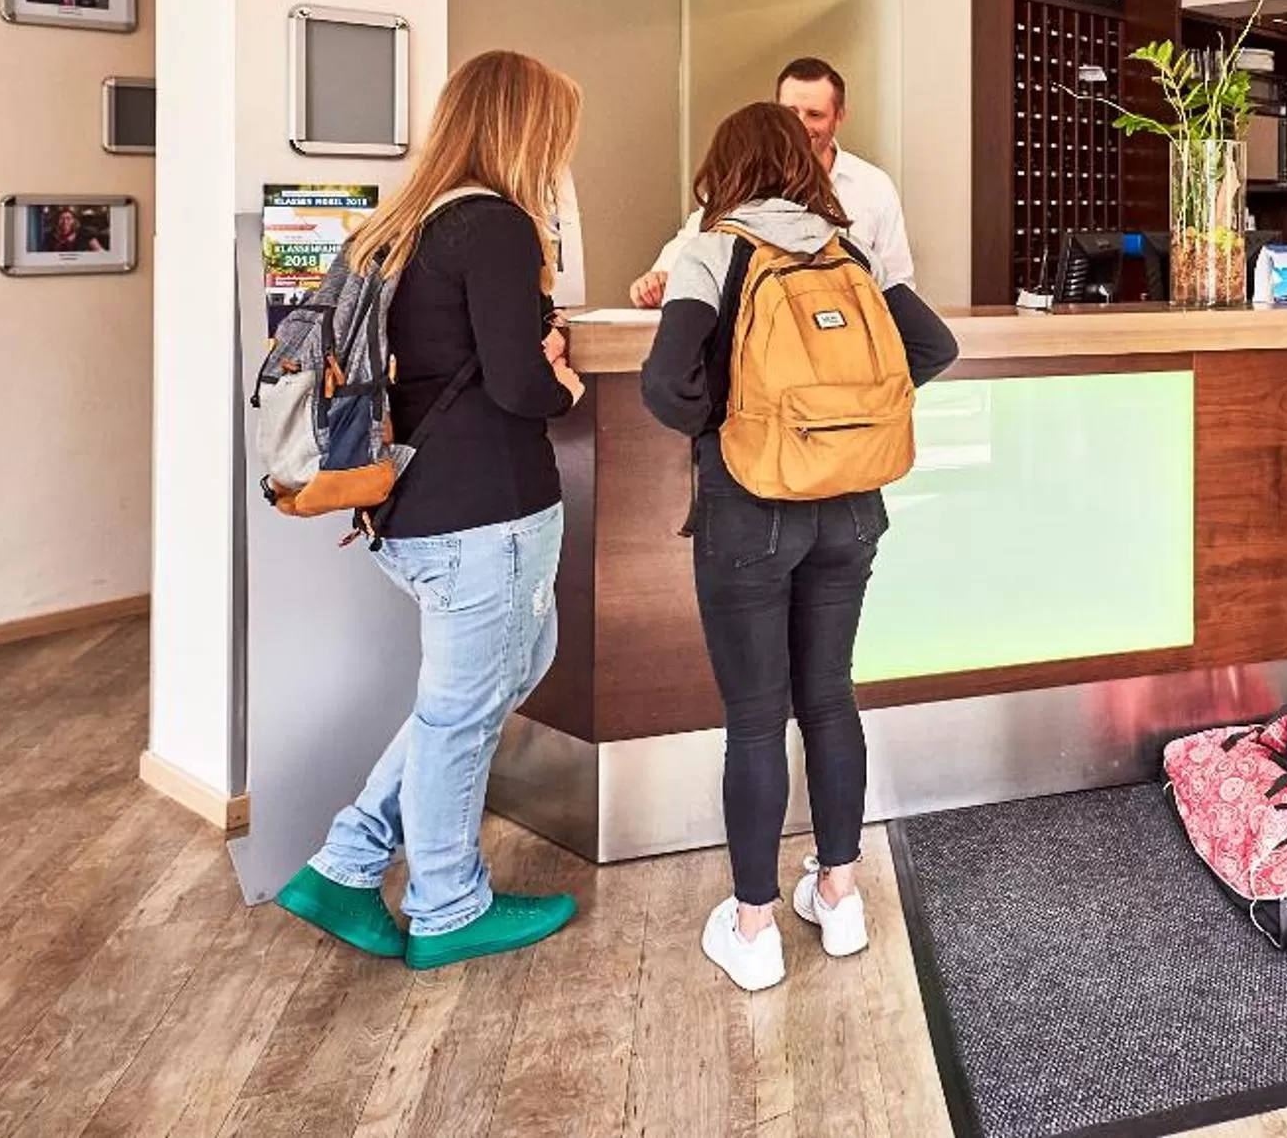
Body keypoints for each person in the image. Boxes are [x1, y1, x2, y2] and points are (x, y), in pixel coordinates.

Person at [276, 50, 588, 970]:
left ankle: (348, 861)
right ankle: (448, 903)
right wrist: (561, 376)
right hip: (481, 512)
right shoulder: (494, 226)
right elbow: (521, 384)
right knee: (464, 709)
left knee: (501, 675)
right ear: (526, 129)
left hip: (408, 503)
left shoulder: (395, 226)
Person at [639, 103, 959, 992]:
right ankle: (841, 895)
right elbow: (933, 344)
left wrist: (737, 422)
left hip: (753, 510)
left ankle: (752, 927)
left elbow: (665, 385)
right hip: (851, 508)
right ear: (806, 162)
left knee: (754, 718)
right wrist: (843, 416)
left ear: (725, 165)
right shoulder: (846, 251)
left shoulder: (716, 247)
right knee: (828, 698)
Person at [632, 56, 913, 304]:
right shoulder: (745, 179)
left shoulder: (874, 187)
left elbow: (898, 283)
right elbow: (695, 244)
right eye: (791, 113)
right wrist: (658, 279)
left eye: (814, 114)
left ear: (839, 117)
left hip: (846, 344)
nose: (800, 125)